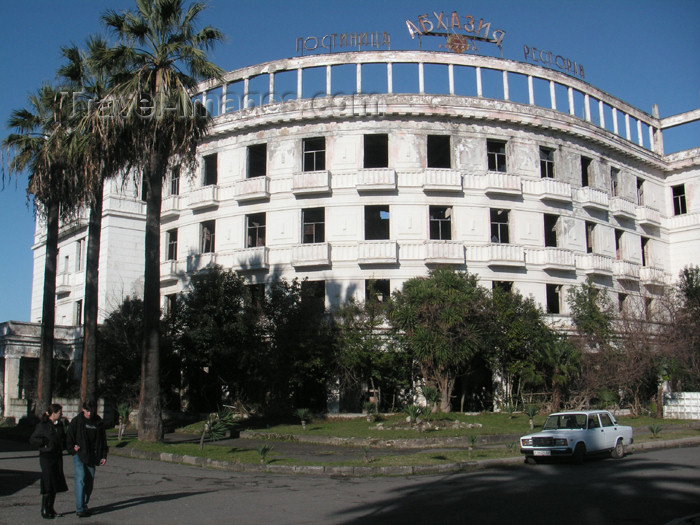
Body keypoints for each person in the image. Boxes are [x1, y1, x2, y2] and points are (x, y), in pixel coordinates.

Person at [66, 400, 108, 518]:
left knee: (89, 482)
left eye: (92, 411)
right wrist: (72, 448)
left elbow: (103, 441)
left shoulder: (98, 422)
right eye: (87, 411)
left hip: (92, 456)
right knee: (80, 480)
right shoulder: (77, 421)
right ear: (83, 410)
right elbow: (69, 437)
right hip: (79, 454)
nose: (90, 413)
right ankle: (79, 508)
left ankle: (84, 504)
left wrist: (103, 455)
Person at [29, 403, 69, 520]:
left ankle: (51, 507)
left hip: (57, 456)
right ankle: (44, 508)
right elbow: (32, 439)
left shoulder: (60, 425)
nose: (61, 415)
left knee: (55, 482)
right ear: (53, 413)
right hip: (46, 456)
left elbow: (63, 439)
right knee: (48, 481)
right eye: (59, 413)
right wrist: (44, 442)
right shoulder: (43, 425)